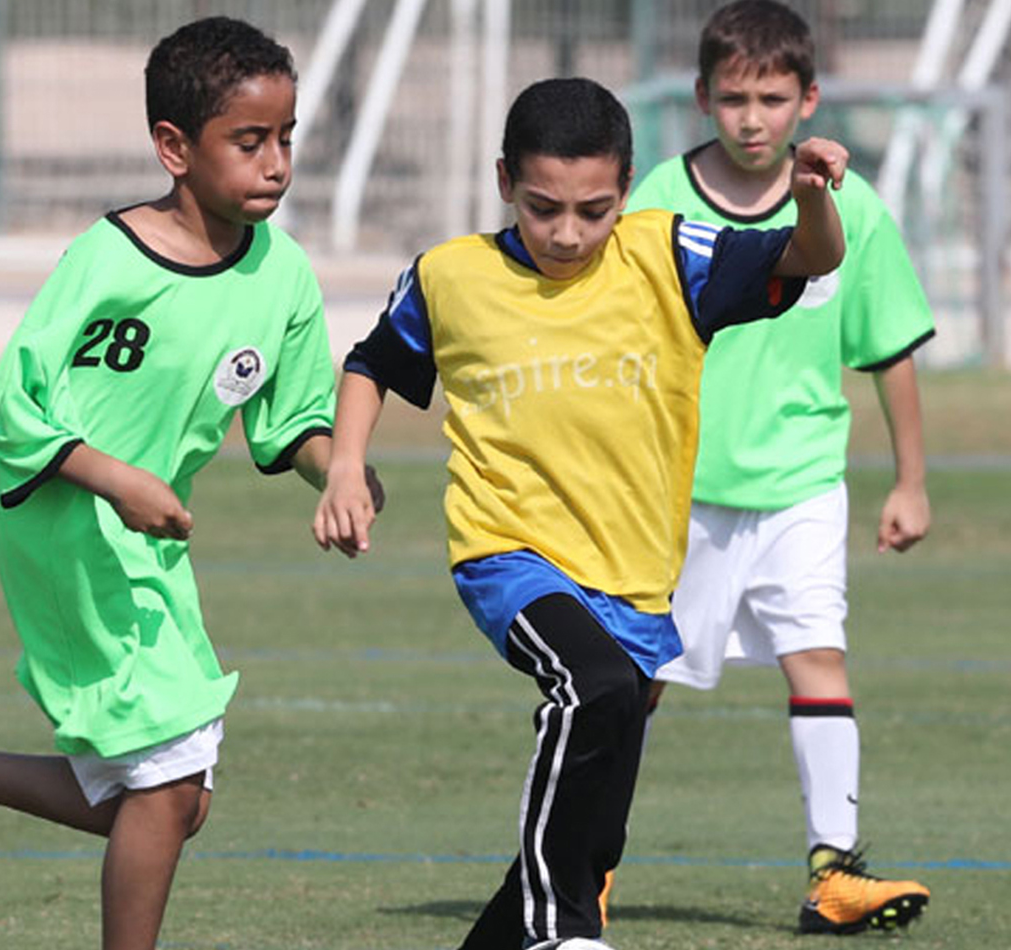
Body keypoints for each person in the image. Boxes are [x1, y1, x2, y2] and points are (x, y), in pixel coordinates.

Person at [0, 17, 343, 950]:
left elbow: (291, 422)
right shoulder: (108, 259)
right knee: (170, 783)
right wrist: (111, 479)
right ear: (173, 149)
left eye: (287, 138)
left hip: (149, 541)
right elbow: (10, 409)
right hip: (67, 526)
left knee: (167, 804)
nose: (277, 164)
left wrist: (340, 473)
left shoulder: (285, 277)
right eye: (250, 141)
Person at [314, 77, 850, 950]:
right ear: (503, 182)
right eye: (543, 207)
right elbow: (374, 363)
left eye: (594, 210)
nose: (568, 232)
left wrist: (812, 199)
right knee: (590, 688)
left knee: (592, 824)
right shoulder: (450, 276)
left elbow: (807, 259)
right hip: (509, 554)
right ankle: (563, 932)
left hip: (636, 580)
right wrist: (344, 466)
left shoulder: (672, 256)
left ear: (627, 187)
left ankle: (525, 924)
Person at [625, 0, 933, 934]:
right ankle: (577, 862)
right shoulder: (653, 203)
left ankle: (833, 873)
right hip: (679, 490)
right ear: (700, 99)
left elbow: (888, 349)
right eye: (732, 98)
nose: (751, 118)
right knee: (633, 681)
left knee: (819, 658)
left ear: (809, 99)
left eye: (770, 97)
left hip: (803, 483)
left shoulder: (855, 207)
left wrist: (910, 480)